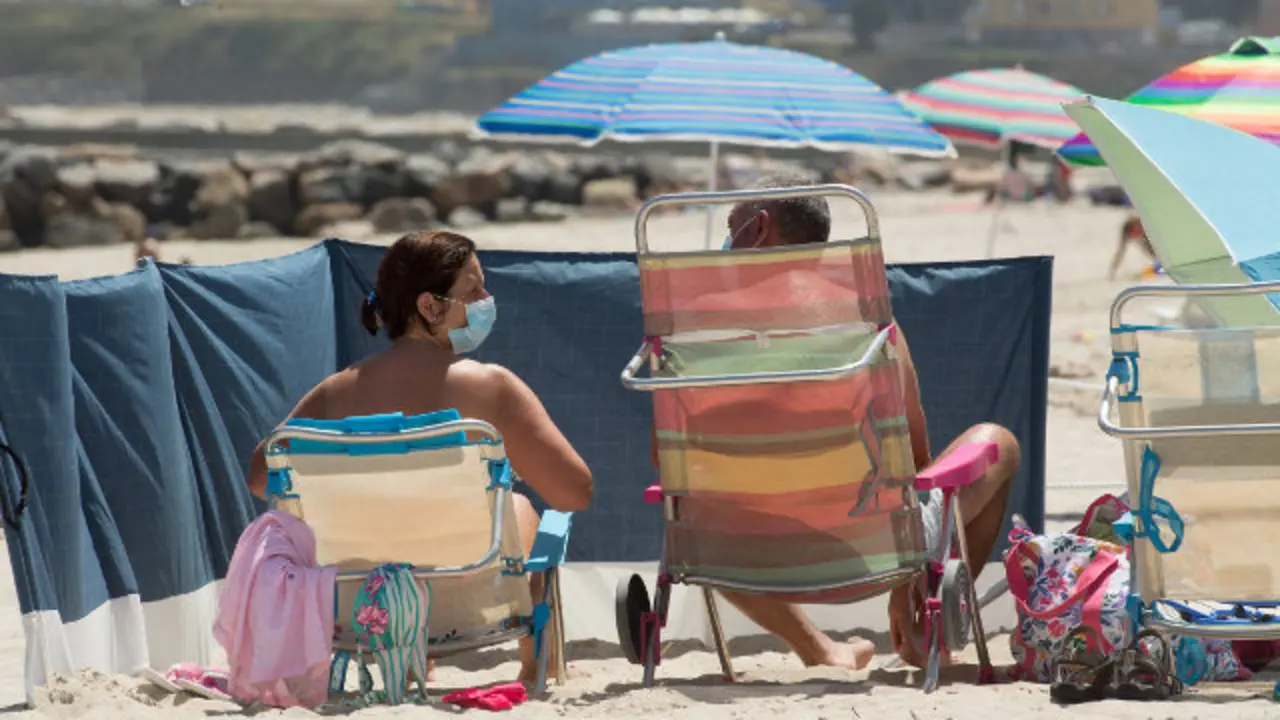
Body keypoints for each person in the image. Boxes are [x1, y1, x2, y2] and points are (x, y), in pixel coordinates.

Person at [696, 174, 1021, 671]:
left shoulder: (697, 327)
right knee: (1000, 444)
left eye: (731, 226)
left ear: (757, 230)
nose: (725, 240)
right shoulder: (871, 320)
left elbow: (671, 459)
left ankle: (818, 649)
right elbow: (914, 455)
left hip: (736, 549)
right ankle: (923, 623)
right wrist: (904, 576)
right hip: (876, 547)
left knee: (697, 508)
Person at [246, 229, 593, 685]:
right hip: (474, 596)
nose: (487, 299)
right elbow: (575, 492)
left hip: (367, 599)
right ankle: (538, 666)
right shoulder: (491, 388)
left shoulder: (334, 394)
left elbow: (259, 476)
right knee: (522, 508)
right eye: (473, 290)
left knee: (384, 516)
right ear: (430, 307)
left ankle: (414, 655)